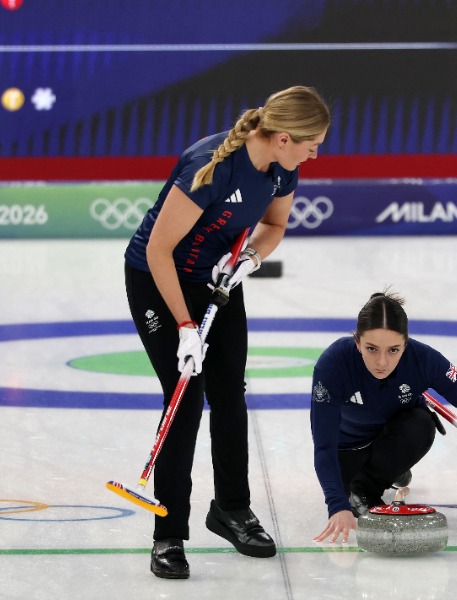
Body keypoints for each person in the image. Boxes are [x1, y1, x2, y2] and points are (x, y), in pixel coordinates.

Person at [124, 85, 330, 578]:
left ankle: (232, 510)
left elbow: (274, 225)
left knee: (230, 395)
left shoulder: (283, 169)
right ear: (283, 137)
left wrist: (249, 260)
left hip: (216, 279)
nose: (315, 153)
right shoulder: (210, 166)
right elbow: (157, 251)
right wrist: (185, 327)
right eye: (311, 143)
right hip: (158, 282)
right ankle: (168, 533)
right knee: (187, 398)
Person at [310, 291, 457, 544]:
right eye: (371, 349)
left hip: (393, 437)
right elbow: (324, 446)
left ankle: (378, 478)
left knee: (421, 424)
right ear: (357, 342)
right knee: (347, 483)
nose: (382, 361)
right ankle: (379, 478)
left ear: (406, 343)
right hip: (347, 452)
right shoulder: (334, 363)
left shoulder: (424, 361)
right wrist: (337, 506)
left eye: (394, 350)